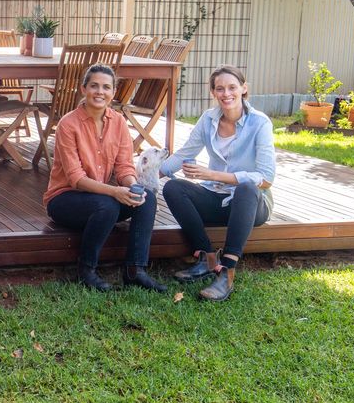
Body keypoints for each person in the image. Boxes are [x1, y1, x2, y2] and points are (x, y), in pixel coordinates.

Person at [44, 63, 167, 293]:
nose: (100, 92)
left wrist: (132, 187)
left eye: (106, 87)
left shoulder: (118, 122)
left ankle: (135, 270)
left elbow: (124, 167)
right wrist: (115, 192)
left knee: (147, 199)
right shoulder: (68, 124)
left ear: (113, 92)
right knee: (108, 205)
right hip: (64, 200)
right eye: (94, 86)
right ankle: (86, 270)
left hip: (98, 198)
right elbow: (76, 178)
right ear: (83, 89)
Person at [160, 65, 275, 301]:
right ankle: (207, 257)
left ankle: (227, 270)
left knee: (246, 186)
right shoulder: (208, 119)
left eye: (232, 87)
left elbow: (265, 178)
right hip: (217, 198)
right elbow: (184, 154)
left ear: (244, 89)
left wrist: (211, 174)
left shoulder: (260, 123)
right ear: (213, 92)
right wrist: (146, 175)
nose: (226, 94)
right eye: (220, 89)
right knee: (173, 187)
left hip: (251, 204)